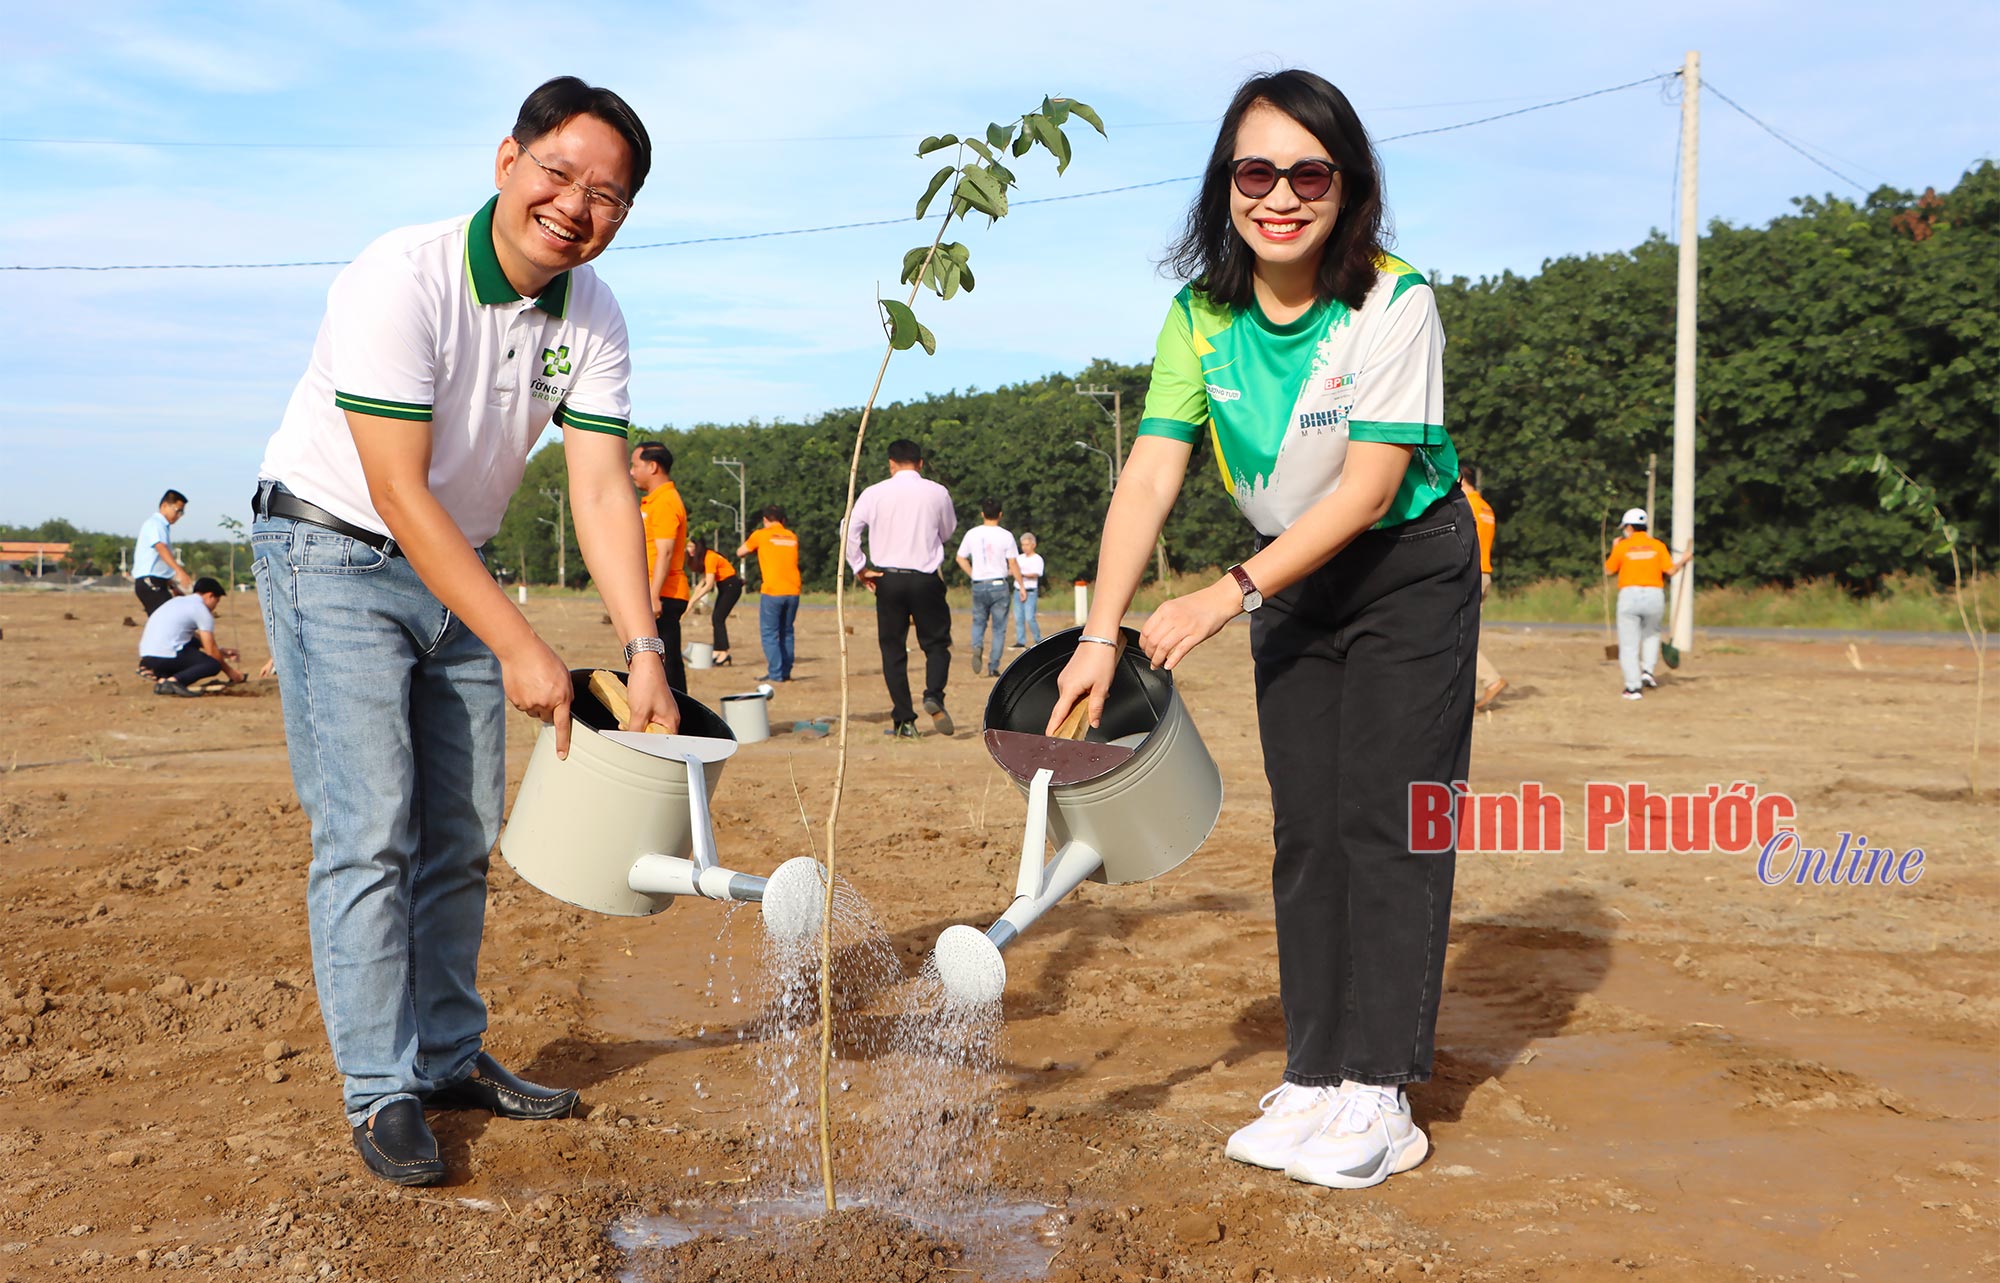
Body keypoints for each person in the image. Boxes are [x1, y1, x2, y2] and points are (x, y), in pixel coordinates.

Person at [1044, 70, 1477, 1191]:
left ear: (1347, 187)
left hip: (1400, 572)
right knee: (1306, 828)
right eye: (1254, 171)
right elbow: (1147, 475)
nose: (1278, 195)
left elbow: (1369, 489)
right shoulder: (1200, 315)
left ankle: (1378, 1091)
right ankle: (1315, 1069)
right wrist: (1098, 632)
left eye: (1306, 172)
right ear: (1223, 186)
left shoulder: (1393, 300)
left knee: (1385, 817)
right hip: (1290, 581)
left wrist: (1221, 594)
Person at [251, 76, 675, 1189]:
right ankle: (379, 1088)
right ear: (507, 159)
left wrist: (644, 647)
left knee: (464, 826)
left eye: (608, 196)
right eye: (560, 174)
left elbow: (597, 492)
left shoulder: (594, 315)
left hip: (458, 562)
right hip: (332, 548)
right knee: (370, 825)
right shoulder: (400, 278)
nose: (577, 207)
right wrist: (522, 645)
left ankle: (444, 1055)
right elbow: (396, 489)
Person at [846, 439, 958, 738]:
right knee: (935, 644)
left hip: (888, 578)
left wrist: (859, 567)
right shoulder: (937, 492)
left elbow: (849, 529)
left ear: (891, 463)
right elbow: (947, 531)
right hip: (925, 578)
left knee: (893, 649)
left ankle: (904, 720)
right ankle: (934, 693)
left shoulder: (874, 493)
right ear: (920, 463)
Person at [1604, 507, 1693, 699]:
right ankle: (1648, 672)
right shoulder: (1658, 545)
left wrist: (1614, 548)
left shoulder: (1622, 546)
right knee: (1652, 634)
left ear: (1629, 527)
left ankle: (1633, 687)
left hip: (1629, 595)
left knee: (1629, 644)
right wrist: (1684, 560)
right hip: (1654, 595)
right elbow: (1670, 571)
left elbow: (1609, 570)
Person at [630, 441, 690, 691]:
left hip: (664, 594)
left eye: (635, 465)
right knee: (656, 661)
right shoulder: (654, 501)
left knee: (668, 664)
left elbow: (665, 552)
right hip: (656, 591)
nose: (631, 472)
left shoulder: (666, 501)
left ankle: (679, 722)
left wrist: (653, 596)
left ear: (652, 466)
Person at [139, 576, 247, 695]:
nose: (215, 607)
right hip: (165, 656)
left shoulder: (178, 601)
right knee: (212, 664)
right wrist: (232, 673)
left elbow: (192, 638)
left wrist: (221, 651)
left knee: (193, 642)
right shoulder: (201, 610)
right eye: (217, 601)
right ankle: (173, 681)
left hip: (148, 656)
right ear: (210, 596)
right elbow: (211, 651)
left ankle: (162, 679)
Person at [955, 497, 1019, 677]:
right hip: (999, 584)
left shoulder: (972, 534)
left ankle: (977, 645)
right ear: (1000, 515)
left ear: (982, 514)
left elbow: (960, 558)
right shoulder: (1006, 535)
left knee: (978, 621)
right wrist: (1020, 585)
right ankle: (993, 666)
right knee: (999, 628)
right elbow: (1013, 563)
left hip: (979, 584)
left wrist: (973, 573)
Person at [738, 506, 801, 681]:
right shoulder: (792, 536)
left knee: (770, 633)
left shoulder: (761, 535)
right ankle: (786, 672)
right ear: (782, 520)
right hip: (793, 590)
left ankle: (775, 673)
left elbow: (741, 551)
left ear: (766, 520)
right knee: (787, 632)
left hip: (773, 591)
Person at [1460, 475, 1506, 709]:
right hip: (1485, 572)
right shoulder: (1486, 507)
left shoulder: (1465, 503)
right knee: (1467, 634)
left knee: (1457, 636)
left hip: (1470, 573)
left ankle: (1491, 680)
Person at [132, 489, 194, 615]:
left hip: (157, 581)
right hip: (150, 582)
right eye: (178, 511)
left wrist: (171, 585)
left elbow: (159, 562)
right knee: (169, 621)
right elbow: (161, 548)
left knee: (166, 623)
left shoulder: (162, 526)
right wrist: (180, 571)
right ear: (165, 506)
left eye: (182, 513)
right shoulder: (155, 524)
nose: (179, 516)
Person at [686, 536, 741, 665]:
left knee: (718, 618)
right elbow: (702, 582)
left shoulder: (710, 557)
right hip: (725, 586)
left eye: (691, 547)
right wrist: (690, 601)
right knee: (717, 618)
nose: (689, 550)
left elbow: (709, 585)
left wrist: (693, 602)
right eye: (688, 547)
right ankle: (719, 651)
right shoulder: (706, 557)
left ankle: (722, 653)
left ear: (698, 548)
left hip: (731, 586)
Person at [1012, 531, 1045, 648]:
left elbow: (1036, 573)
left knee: (1030, 617)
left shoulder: (1037, 559)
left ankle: (1038, 639)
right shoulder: (1019, 558)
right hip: (1017, 590)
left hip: (1030, 591)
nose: (1024, 547)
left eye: (1027, 545)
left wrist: (1021, 574)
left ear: (1033, 545)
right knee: (1018, 617)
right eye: (1023, 545)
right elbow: (1012, 570)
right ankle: (1020, 641)